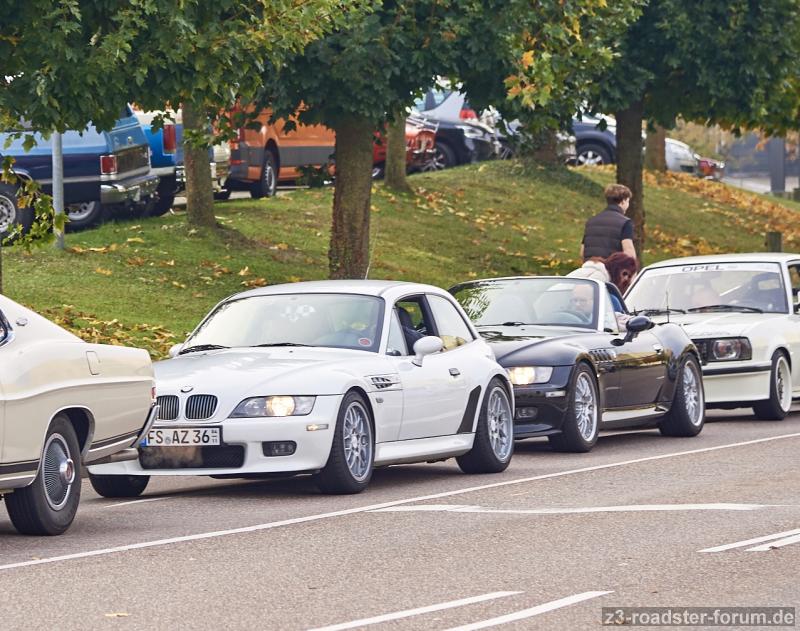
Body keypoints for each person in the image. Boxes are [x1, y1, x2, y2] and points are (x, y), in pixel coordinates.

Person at [580, 183, 637, 261]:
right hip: (611, 270)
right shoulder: (625, 222)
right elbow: (629, 253)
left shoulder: (591, 222)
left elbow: (582, 252)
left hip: (590, 268)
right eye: (627, 201)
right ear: (623, 201)